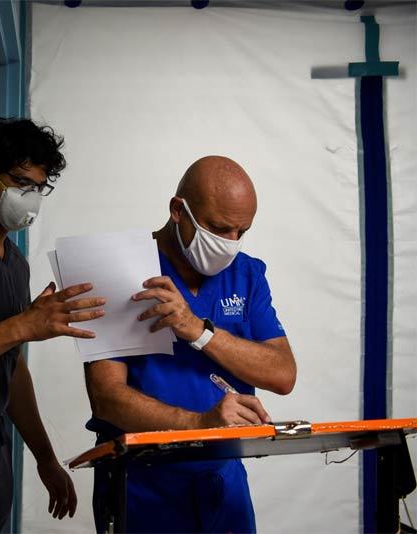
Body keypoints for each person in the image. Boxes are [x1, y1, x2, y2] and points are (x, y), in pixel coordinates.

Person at [85, 155, 296, 533]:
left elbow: (282, 374)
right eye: (219, 228)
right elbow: (107, 397)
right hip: (143, 482)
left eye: (241, 232)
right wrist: (200, 424)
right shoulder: (115, 270)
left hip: (223, 479)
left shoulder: (246, 274)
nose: (230, 243)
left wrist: (199, 331)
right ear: (178, 210)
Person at [0, 119, 107, 533]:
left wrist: (46, 459)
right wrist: (25, 325)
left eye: (38, 187)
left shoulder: (16, 264)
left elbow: (12, 368)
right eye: (20, 183)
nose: (29, 198)